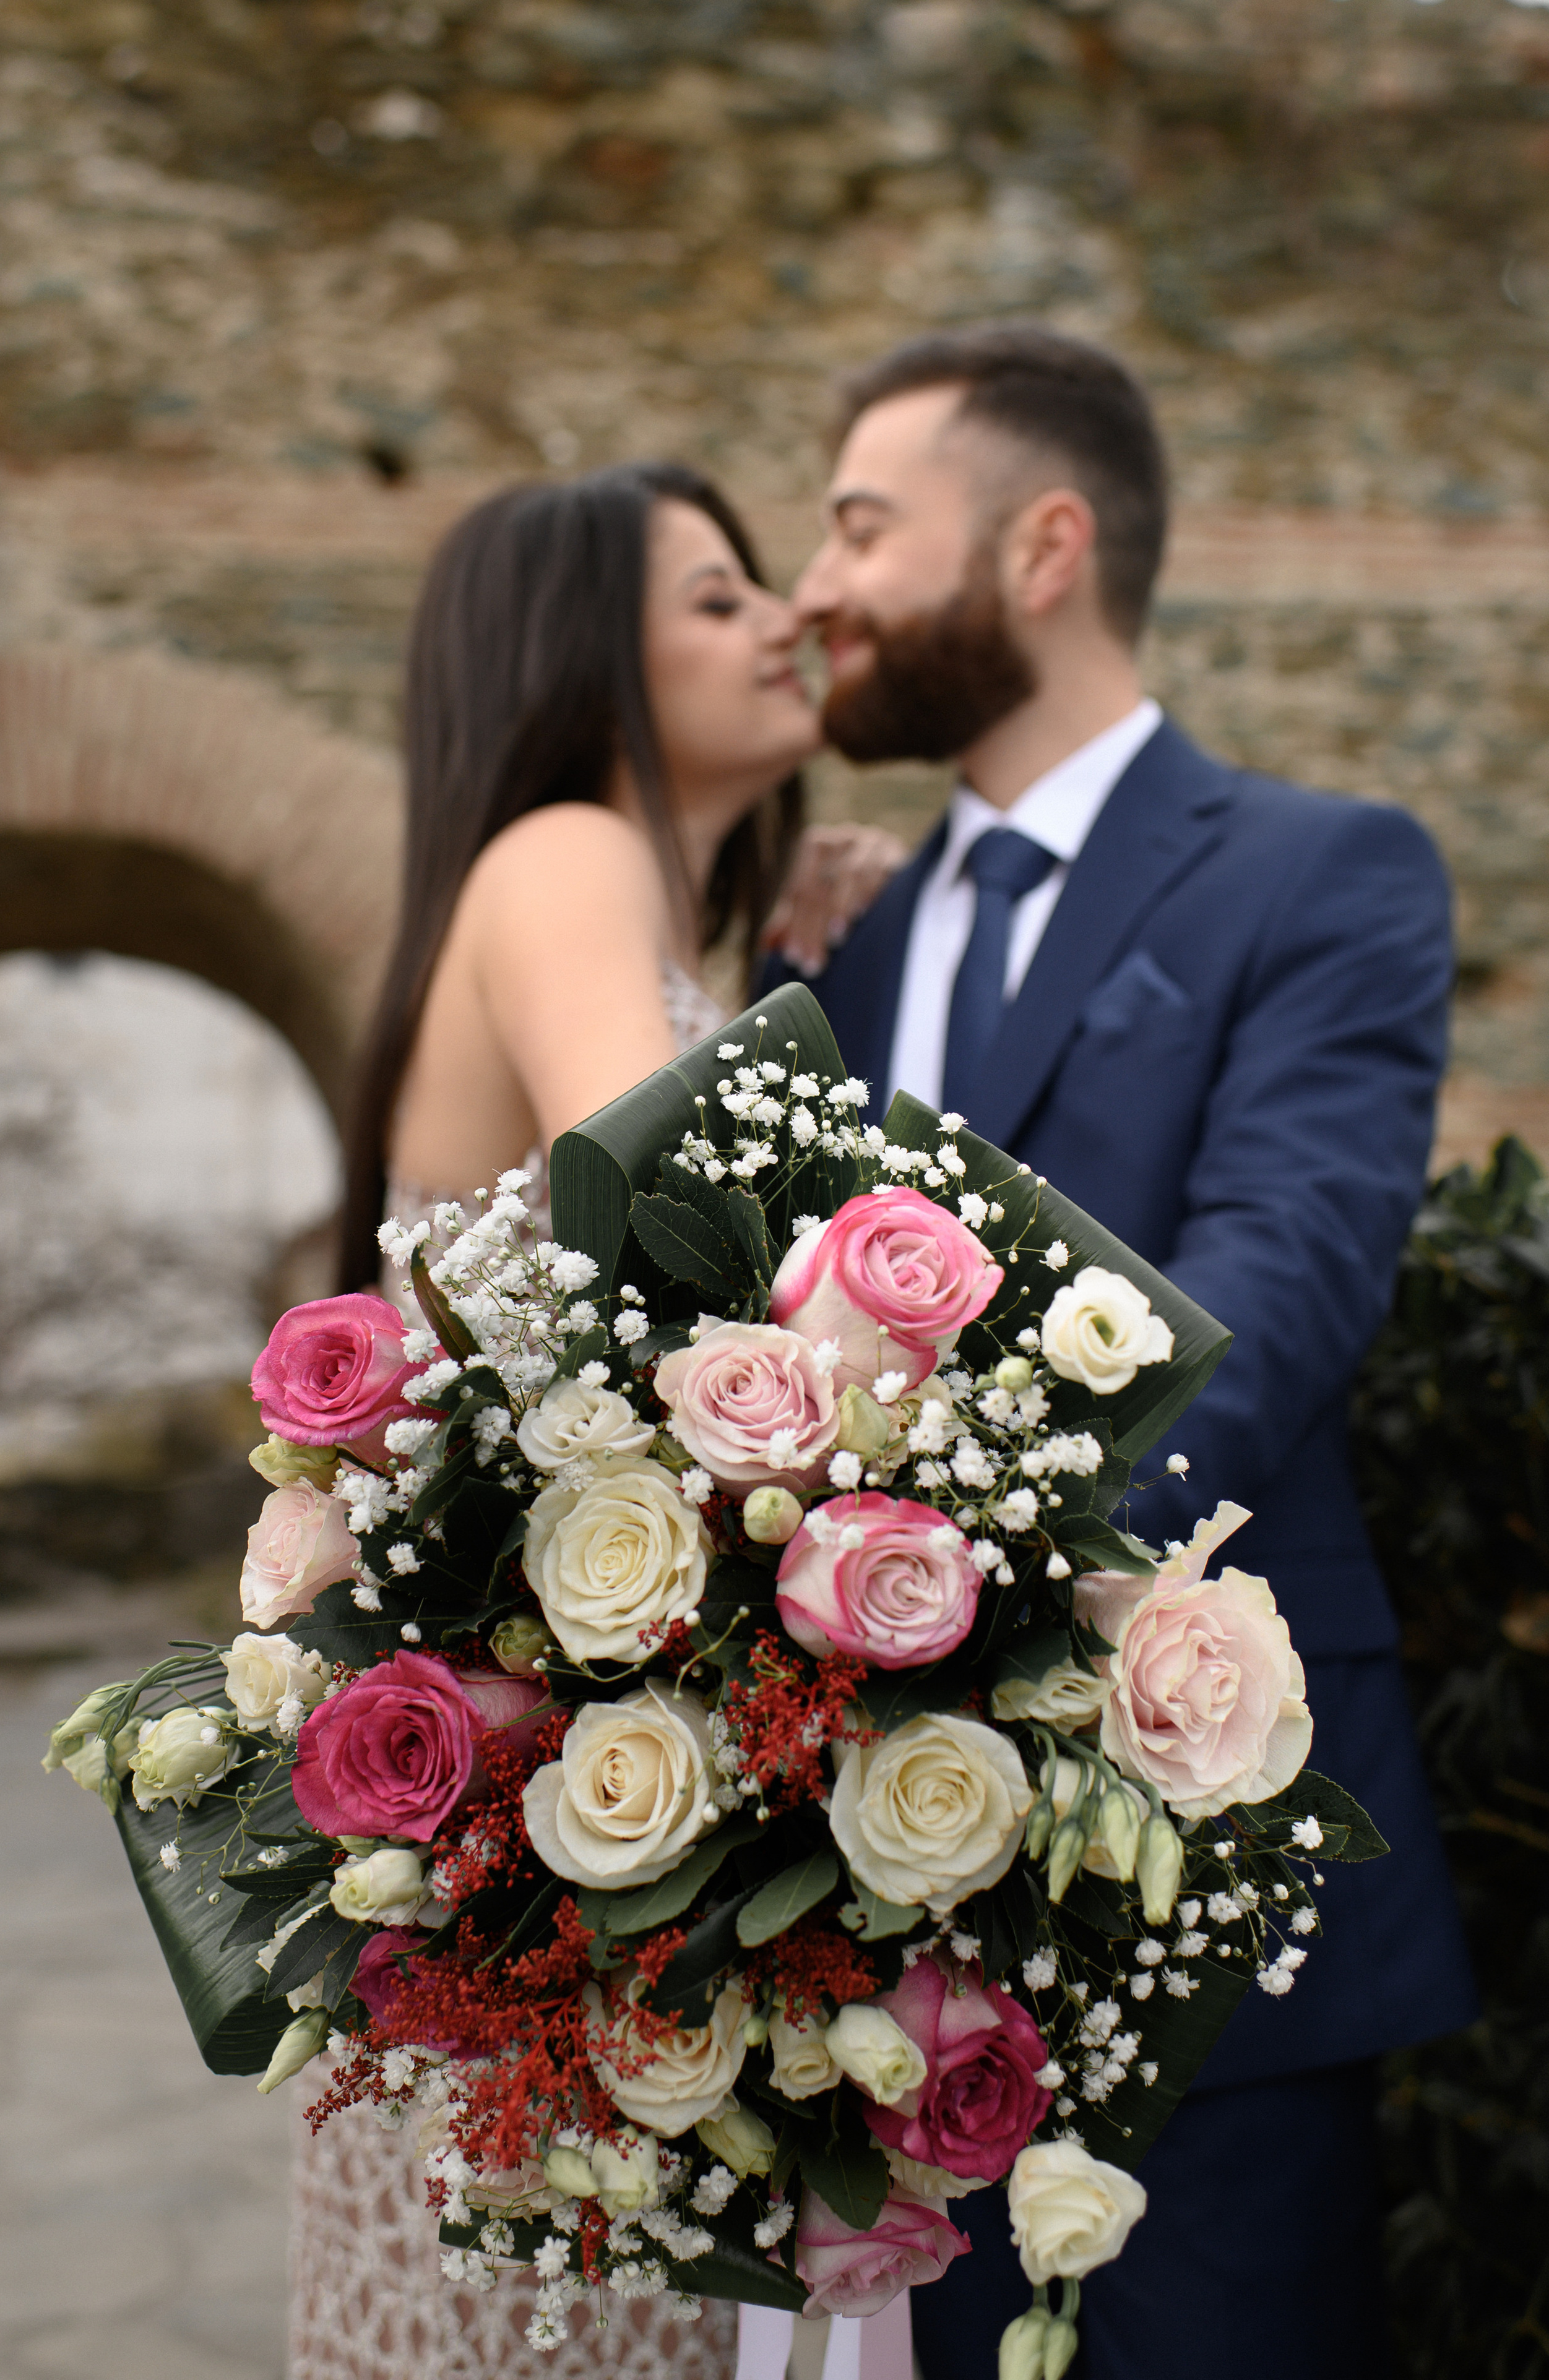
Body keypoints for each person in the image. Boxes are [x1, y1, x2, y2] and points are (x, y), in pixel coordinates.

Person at [762, 324, 1478, 2380]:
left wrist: (927, 1577)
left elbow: (1284, 1278)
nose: (818, 588)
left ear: (1044, 546)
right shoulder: (844, 944)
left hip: (1192, 1880)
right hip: (835, 1925)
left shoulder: (1319, 871)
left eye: (864, 527)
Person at [307, 461, 900, 2380]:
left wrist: (773, 955)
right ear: (585, 657)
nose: (783, 619)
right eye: (718, 597)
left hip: (534, 1837)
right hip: (551, 1885)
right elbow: (676, 1249)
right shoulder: (568, 855)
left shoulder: (604, 898)